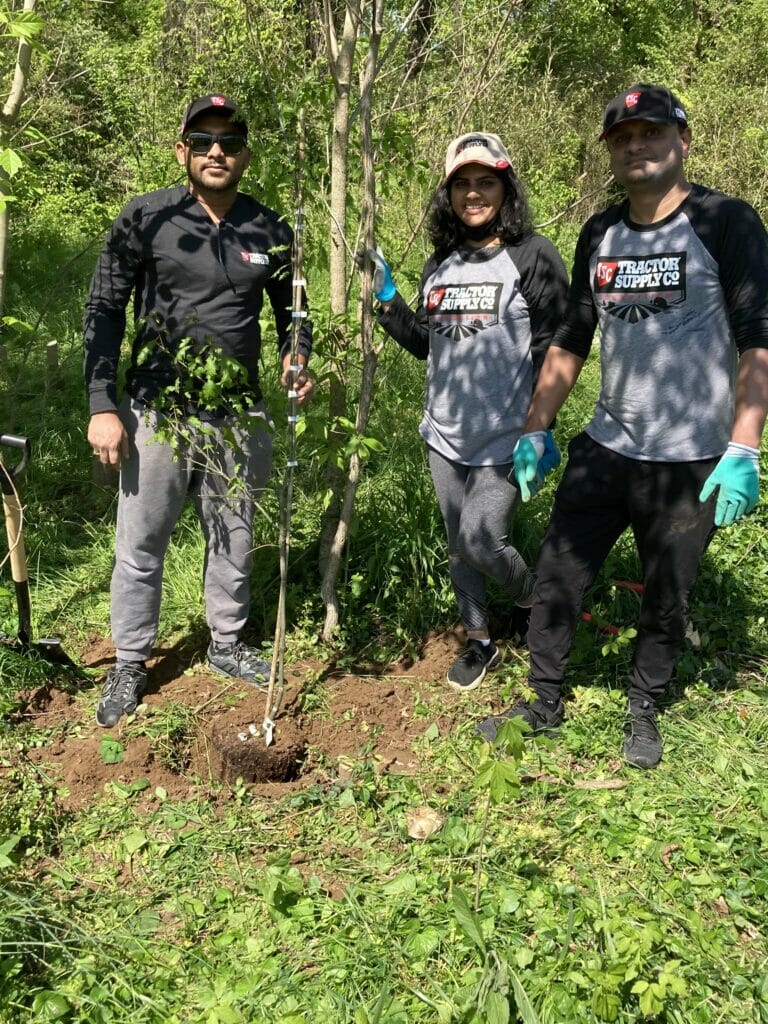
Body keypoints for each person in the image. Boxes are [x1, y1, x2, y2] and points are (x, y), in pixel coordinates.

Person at [478, 84, 768, 767]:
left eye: (651, 131)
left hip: (690, 458)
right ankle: (543, 700)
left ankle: (644, 706)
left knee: (668, 590)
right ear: (610, 152)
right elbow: (574, 336)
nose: (637, 144)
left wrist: (745, 445)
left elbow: (759, 336)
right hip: (606, 446)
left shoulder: (726, 221)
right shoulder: (599, 232)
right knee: (557, 573)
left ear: (683, 140)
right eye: (623, 136)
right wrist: (535, 427)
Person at [84, 94, 313, 728]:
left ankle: (227, 643)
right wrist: (103, 403)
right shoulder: (146, 218)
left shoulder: (271, 230)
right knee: (141, 543)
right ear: (182, 148)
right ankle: (131, 659)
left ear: (245, 153)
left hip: (239, 413)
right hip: (156, 412)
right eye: (205, 140)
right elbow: (103, 311)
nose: (219, 152)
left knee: (234, 537)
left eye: (231, 142)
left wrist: (300, 358)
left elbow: (295, 315)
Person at [368, 133, 568, 691]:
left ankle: (529, 597)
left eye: (486, 181)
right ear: (448, 194)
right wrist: (388, 300)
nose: (473, 193)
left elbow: (558, 345)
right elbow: (430, 344)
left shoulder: (532, 255)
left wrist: (541, 427)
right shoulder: (441, 263)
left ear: (506, 187)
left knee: (483, 539)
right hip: (444, 434)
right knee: (459, 545)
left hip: (506, 438)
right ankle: (479, 639)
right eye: (462, 184)